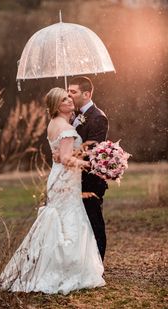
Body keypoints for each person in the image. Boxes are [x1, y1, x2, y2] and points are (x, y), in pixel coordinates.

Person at [0, 87, 105, 295]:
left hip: (58, 178)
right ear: (57, 105)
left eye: (69, 97)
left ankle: (51, 264)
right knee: (69, 220)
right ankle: (64, 269)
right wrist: (91, 165)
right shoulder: (65, 127)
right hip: (66, 180)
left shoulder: (53, 124)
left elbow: (60, 154)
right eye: (65, 99)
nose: (69, 100)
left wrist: (69, 155)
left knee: (62, 218)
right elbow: (65, 159)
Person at [68, 76, 109, 261]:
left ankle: (98, 264)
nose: (69, 95)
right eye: (68, 91)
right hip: (73, 178)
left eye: (73, 92)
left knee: (94, 224)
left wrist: (67, 155)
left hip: (90, 180)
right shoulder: (71, 115)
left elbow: (92, 151)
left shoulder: (98, 117)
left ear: (86, 94)